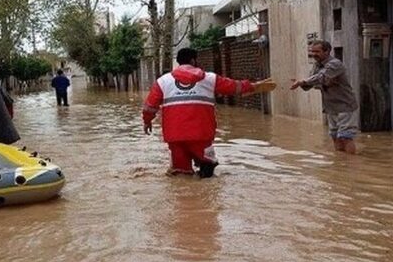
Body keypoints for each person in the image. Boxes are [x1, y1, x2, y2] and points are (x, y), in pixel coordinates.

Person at [142, 48, 273, 178]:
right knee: (208, 171)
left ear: (178, 61)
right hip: (201, 135)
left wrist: (147, 121)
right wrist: (253, 86)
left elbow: (149, 107)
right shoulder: (210, 79)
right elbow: (234, 86)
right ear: (193, 60)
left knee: (181, 175)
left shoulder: (162, 82)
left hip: (175, 137)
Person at [290, 40, 359, 154]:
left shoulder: (335, 64)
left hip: (345, 106)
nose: (314, 54)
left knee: (346, 136)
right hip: (331, 107)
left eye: (317, 51)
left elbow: (321, 77)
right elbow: (311, 82)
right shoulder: (317, 65)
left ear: (327, 51)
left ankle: (351, 165)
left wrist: (303, 81)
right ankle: (341, 164)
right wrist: (302, 83)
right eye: (312, 52)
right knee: (334, 136)